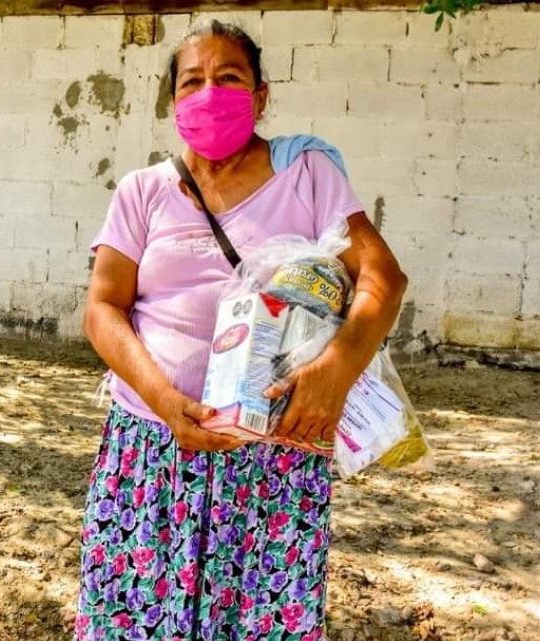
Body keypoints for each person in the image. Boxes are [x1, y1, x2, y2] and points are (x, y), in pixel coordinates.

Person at [76, 20, 408, 640]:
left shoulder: (306, 173)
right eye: (192, 81)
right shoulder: (142, 192)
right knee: (135, 618)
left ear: (260, 96)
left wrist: (334, 372)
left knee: (256, 622)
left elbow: (382, 277)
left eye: (229, 77)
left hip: (273, 454)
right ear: (173, 101)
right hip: (153, 449)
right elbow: (102, 309)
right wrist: (162, 399)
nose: (209, 92)